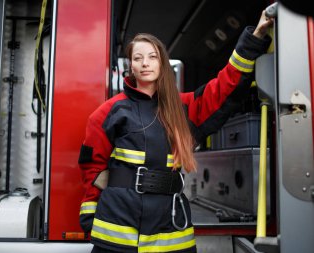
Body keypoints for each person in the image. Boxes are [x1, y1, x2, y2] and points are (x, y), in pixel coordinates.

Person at [78, 10, 274, 253]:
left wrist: (254, 38)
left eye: (152, 57)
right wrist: (90, 216)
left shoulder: (184, 108)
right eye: (138, 58)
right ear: (131, 65)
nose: (145, 63)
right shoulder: (107, 113)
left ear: (162, 62)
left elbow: (225, 87)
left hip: (170, 228)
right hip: (118, 229)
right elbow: (91, 169)